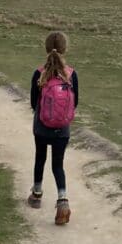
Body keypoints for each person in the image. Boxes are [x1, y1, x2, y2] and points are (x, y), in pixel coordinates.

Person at [28, 31, 79, 225]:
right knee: (58, 165)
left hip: (41, 128)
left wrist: (44, 115)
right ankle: (63, 202)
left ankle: (36, 195)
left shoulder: (39, 73)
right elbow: (75, 103)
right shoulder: (71, 74)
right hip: (62, 129)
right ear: (65, 49)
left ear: (46, 48)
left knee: (40, 158)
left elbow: (34, 103)